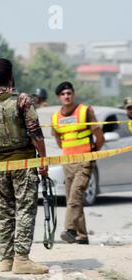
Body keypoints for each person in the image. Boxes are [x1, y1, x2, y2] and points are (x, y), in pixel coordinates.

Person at [0, 58, 49, 274]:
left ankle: (6, 259)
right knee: (24, 209)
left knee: (3, 213)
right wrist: (43, 159)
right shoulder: (22, 100)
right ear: (12, 77)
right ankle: (21, 259)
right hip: (23, 162)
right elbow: (35, 133)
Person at [52, 81, 105, 245]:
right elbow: (59, 140)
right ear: (58, 97)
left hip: (84, 161)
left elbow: (100, 136)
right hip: (68, 162)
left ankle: (69, 230)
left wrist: (92, 152)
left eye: (69, 93)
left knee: (75, 196)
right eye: (63, 94)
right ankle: (82, 236)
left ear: (73, 95)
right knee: (73, 199)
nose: (66, 96)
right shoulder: (56, 117)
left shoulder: (85, 111)